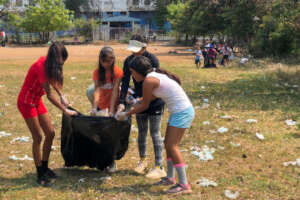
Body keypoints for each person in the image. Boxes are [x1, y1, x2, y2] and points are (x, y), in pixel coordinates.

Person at [116, 56, 194, 194]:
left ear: (139, 71)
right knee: (168, 145)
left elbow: (145, 105)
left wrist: (126, 114)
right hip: (179, 111)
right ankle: (170, 178)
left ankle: (184, 185)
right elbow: (152, 97)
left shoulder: (148, 81)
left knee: (172, 146)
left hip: (182, 112)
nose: (132, 76)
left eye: (133, 73)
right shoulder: (153, 76)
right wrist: (136, 101)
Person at [17, 42, 77, 186]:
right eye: (60, 61)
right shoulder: (40, 66)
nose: (61, 64)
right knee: (38, 137)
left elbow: (53, 82)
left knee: (50, 133)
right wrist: (65, 109)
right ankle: (40, 174)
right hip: (26, 102)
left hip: (36, 100)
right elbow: (49, 94)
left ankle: (45, 167)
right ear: (54, 57)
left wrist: (62, 95)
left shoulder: (49, 64)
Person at [117, 34, 166, 179]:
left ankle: (159, 165)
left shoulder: (153, 60)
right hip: (139, 100)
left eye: (137, 50)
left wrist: (145, 100)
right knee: (142, 132)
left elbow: (156, 83)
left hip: (155, 100)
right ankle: (142, 161)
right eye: (132, 50)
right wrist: (121, 102)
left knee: (155, 133)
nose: (134, 53)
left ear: (145, 47)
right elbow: (125, 82)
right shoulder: (128, 61)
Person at [89, 46, 123, 116]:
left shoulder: (118, 72)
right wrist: (94, 108)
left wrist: (111, 110)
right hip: (101, 105)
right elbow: (97, 90)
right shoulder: (96, 72)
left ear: (113, 60)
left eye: (109, 61)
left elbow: (115, 91)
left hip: (114, 105)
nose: (105, 64)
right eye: (103, 61)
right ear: (100, 60)